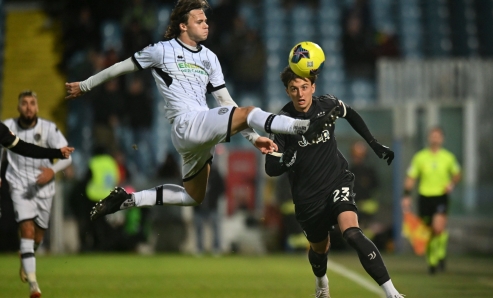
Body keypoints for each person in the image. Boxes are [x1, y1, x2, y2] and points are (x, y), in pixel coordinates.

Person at [65, 0, 337, 221]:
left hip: (200, 132)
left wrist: (254, 138)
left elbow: (226, 103)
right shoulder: (161, 50)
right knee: (250, 109)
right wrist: (85, 85)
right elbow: (120, 66)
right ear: (183, 26)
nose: (206, 24)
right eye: (200, 20)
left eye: (206, 20)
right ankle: (302, 126)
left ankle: (128, 198)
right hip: (186, 124)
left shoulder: (209, 57)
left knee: (192, 196)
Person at [265, 66, 402, 298]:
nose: (300, 94)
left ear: (313, 88)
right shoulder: (282, 122)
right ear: (287, 91)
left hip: (337, 182)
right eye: (294, 89)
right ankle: (321, 283)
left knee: (352, 233)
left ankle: (392, 293)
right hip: (308, 197)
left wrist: (373, 143)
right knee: (320, 250)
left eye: (304, 87)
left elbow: (350, 114)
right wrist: (286, 161)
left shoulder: (327, 105)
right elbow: (271, 167)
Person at [3, 90, 73, 298]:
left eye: (32, 103)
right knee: (27, 230)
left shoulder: (49, 128)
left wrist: (52, 170)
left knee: (39, 235)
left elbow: (67, 156)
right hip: (18, 184)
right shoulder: (7, 126)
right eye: (24, 103)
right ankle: (34, 286)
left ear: (37, 107)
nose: (28, 107)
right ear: (18, 107)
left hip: (43, 188)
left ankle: (26, 256)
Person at [401, 126, 461, 274]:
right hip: (424, 196)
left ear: (442, 139)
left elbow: (457, 174)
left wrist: (451, 184)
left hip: (440, 196)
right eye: (432, 136)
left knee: (438, 228)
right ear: (429, 138)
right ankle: (431, 260)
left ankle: (438, 255)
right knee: (427, 231)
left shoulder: (448, 157)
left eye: (438, 136)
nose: (435, 138)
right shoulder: (420, 157)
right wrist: (406, 195)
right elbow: (411, 177)